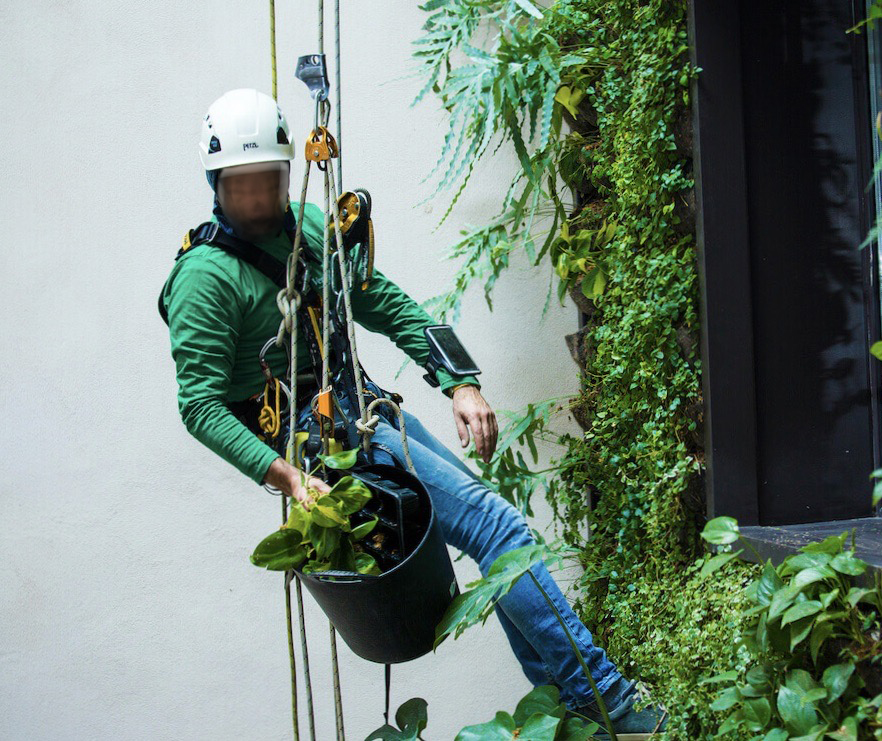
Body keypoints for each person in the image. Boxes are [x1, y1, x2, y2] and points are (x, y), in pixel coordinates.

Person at [159, 88, 666, 737]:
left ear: (287, 172)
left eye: (268, 180)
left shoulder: (311, 229)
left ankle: (579, 702)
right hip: (316, 443)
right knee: (497, 529)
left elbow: (387, 304)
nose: (257, 199)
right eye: (241, 186)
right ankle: (606, 701)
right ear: (216, 184)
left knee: (494, 530)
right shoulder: (205, 279)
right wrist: (285, 477)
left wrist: (460, 383)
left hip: (361, 411)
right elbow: (199, 405)